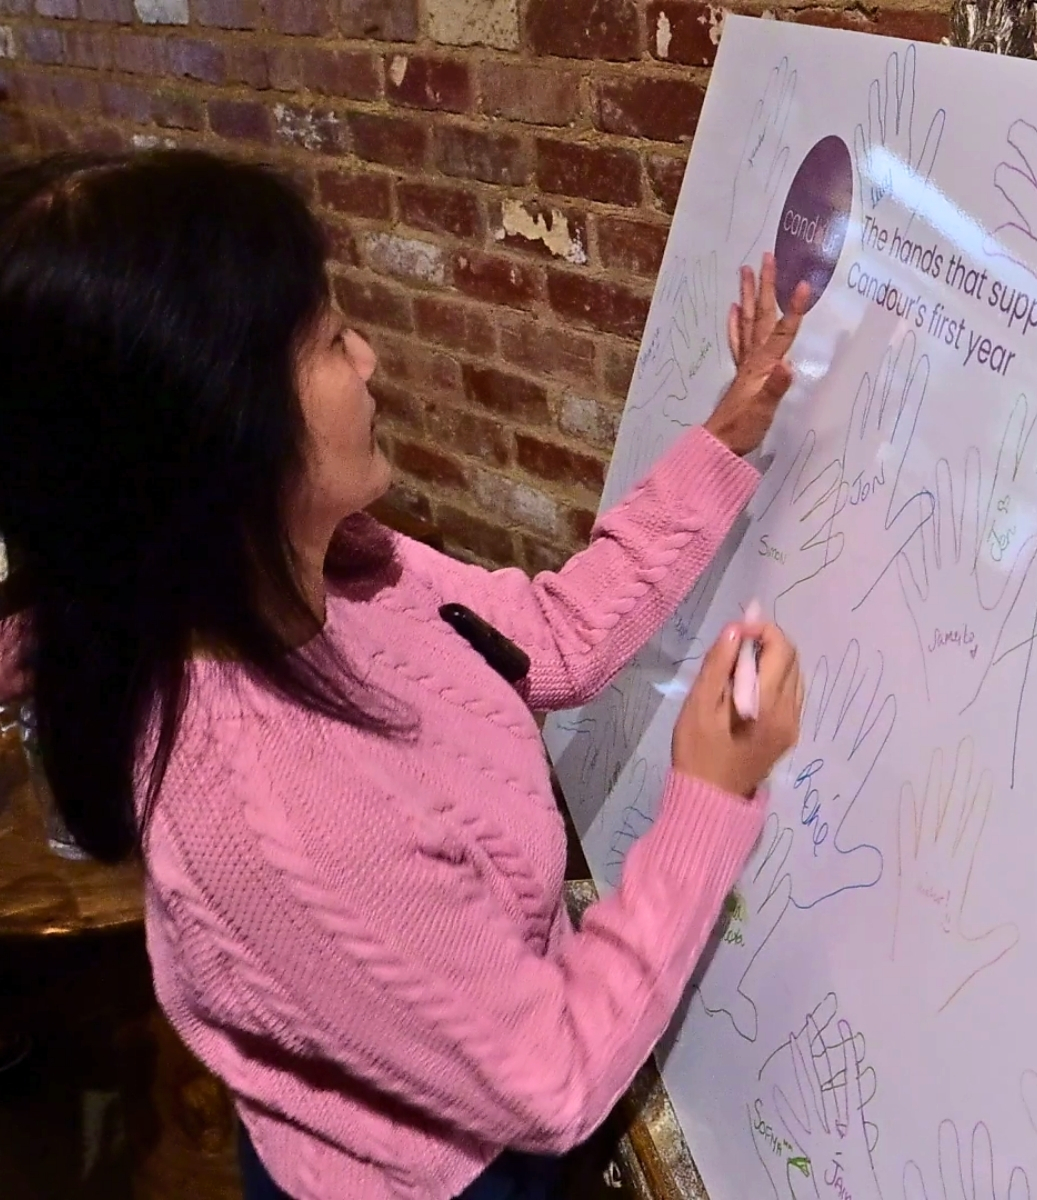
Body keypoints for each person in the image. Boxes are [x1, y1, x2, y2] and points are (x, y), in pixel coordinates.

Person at [0, 149, 808, 1200]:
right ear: (219, 428)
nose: (372, 359)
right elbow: (553, 1079)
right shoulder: (279, 815)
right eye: (331, 341)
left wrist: (724, 435)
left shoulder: (332, 569)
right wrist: (708, 796)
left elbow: (547, 635)